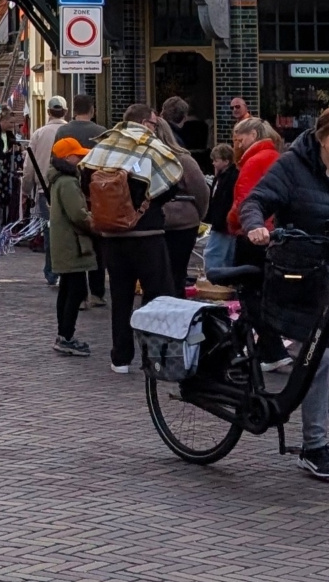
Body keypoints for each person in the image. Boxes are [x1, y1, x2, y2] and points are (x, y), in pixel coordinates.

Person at [240, 104, 329, 483]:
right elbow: (254, 201)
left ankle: (328, 430)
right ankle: (314, 446)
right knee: (317, 360)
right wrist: (256, 226)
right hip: (298, 277)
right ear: (322, 138)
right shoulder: (291, 168)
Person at [80, 102, 189, 375]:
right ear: (144, 123)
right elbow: (171, 183)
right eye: (153, 123)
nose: (154, 127)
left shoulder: (104, 146)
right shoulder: (149, 147)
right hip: (146, 234)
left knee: (120, 297)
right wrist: (146, 203)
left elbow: (84, 180)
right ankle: (151, 357)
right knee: (156, 296)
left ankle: (120, 357)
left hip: (112, 236)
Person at [46, 136, 98, 356]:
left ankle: (63, 334)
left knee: (68, 288)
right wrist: (95, 223)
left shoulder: (58, 179)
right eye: (78, 155)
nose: (81, 159)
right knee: (75, 290)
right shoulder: (67, 182)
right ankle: (66, 336)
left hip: (65, 241)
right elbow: (77, 214)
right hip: (72, 242)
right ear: (67, 157)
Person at [154, 99, 213, 290]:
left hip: (152, 223)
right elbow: (200, 190)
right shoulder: (182, 158)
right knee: (177, 274)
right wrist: (198, 215)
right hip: (183, 223)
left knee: (157, 275)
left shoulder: (143, 157)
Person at [202, 143, 240, 275]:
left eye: (216, 160)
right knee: (227, 254)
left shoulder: (230, 178)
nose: (213, 163)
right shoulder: (222, 176)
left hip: (222, 222)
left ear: (226, 161)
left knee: (213, 253)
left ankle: (212, 280)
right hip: (223, 222)